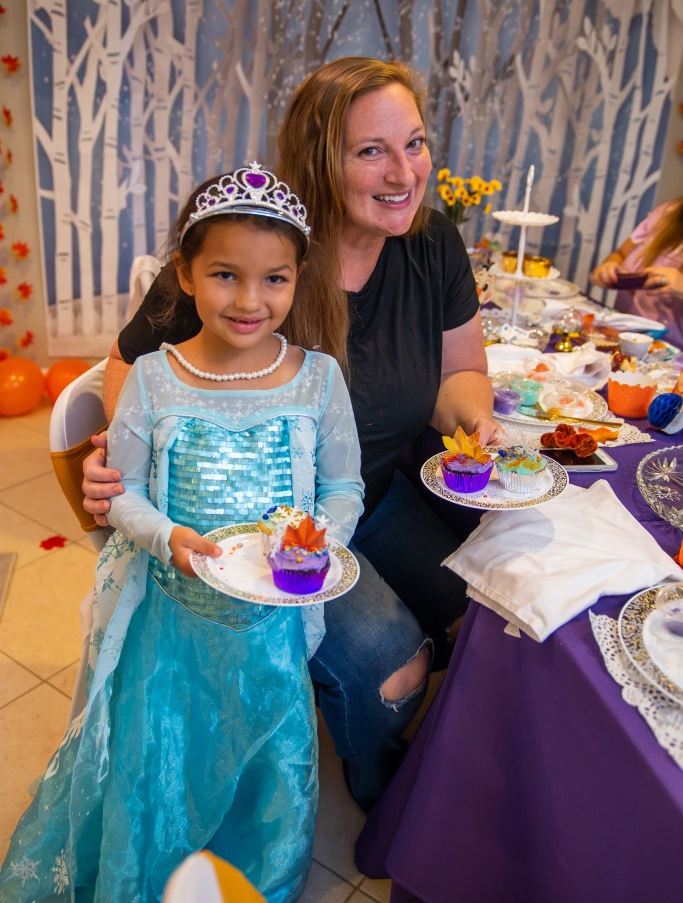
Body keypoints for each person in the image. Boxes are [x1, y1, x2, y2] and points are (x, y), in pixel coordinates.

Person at [83, 57, 506, 810]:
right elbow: (128, 366)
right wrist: (128, 460)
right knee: (391, 661)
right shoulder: (259, 252)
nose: (403, 171)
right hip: (252, 523)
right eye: (371, 150)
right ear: (320, 158)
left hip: (365, 497)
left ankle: (414, 747)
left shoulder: (431, 242)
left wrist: (476, 419)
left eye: (413, 143)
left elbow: (457, 373)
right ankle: (376, 779)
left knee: (483, 614)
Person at [0, 164, 364, 903]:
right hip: (170, 626)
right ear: (185, 274)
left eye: (275, 279)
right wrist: (167, 537)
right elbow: (124, 494)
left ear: (297, 280)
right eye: (226, 274)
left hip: (271, 627)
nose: (250, 300)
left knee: (263, 758)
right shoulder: (156, 379)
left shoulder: (318, 379)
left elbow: (343, 487)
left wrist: (317, 538)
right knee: (163, 763)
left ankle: (251, 878)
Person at [591, 197, 683, 344]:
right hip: (621, 336)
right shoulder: (666, 212)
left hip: (670, 353)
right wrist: (609, 267)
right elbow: (620, 254)